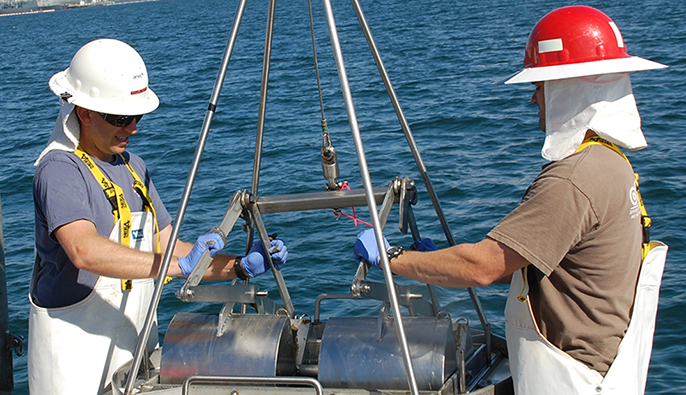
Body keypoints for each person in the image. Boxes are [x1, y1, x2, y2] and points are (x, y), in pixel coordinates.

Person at [353, 6, 668, 395]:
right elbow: (533, 261)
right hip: (599, 374)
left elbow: (482, 267)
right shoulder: (611, 165)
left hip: (571, 381)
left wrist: (392, 259)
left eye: (541, 85)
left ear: (571, 88)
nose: (535, 99)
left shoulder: (573, 178)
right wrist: (434, 262)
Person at [29, 38, 288, 395]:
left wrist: (239, 267)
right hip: (72, 366)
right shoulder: (59, 170)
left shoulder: (133, 167)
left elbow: (172, 249)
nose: (132, 128)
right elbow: (84, 251)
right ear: (84, 113)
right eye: (120, 117)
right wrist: (177, 268)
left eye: (137, 116)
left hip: (132, 356)